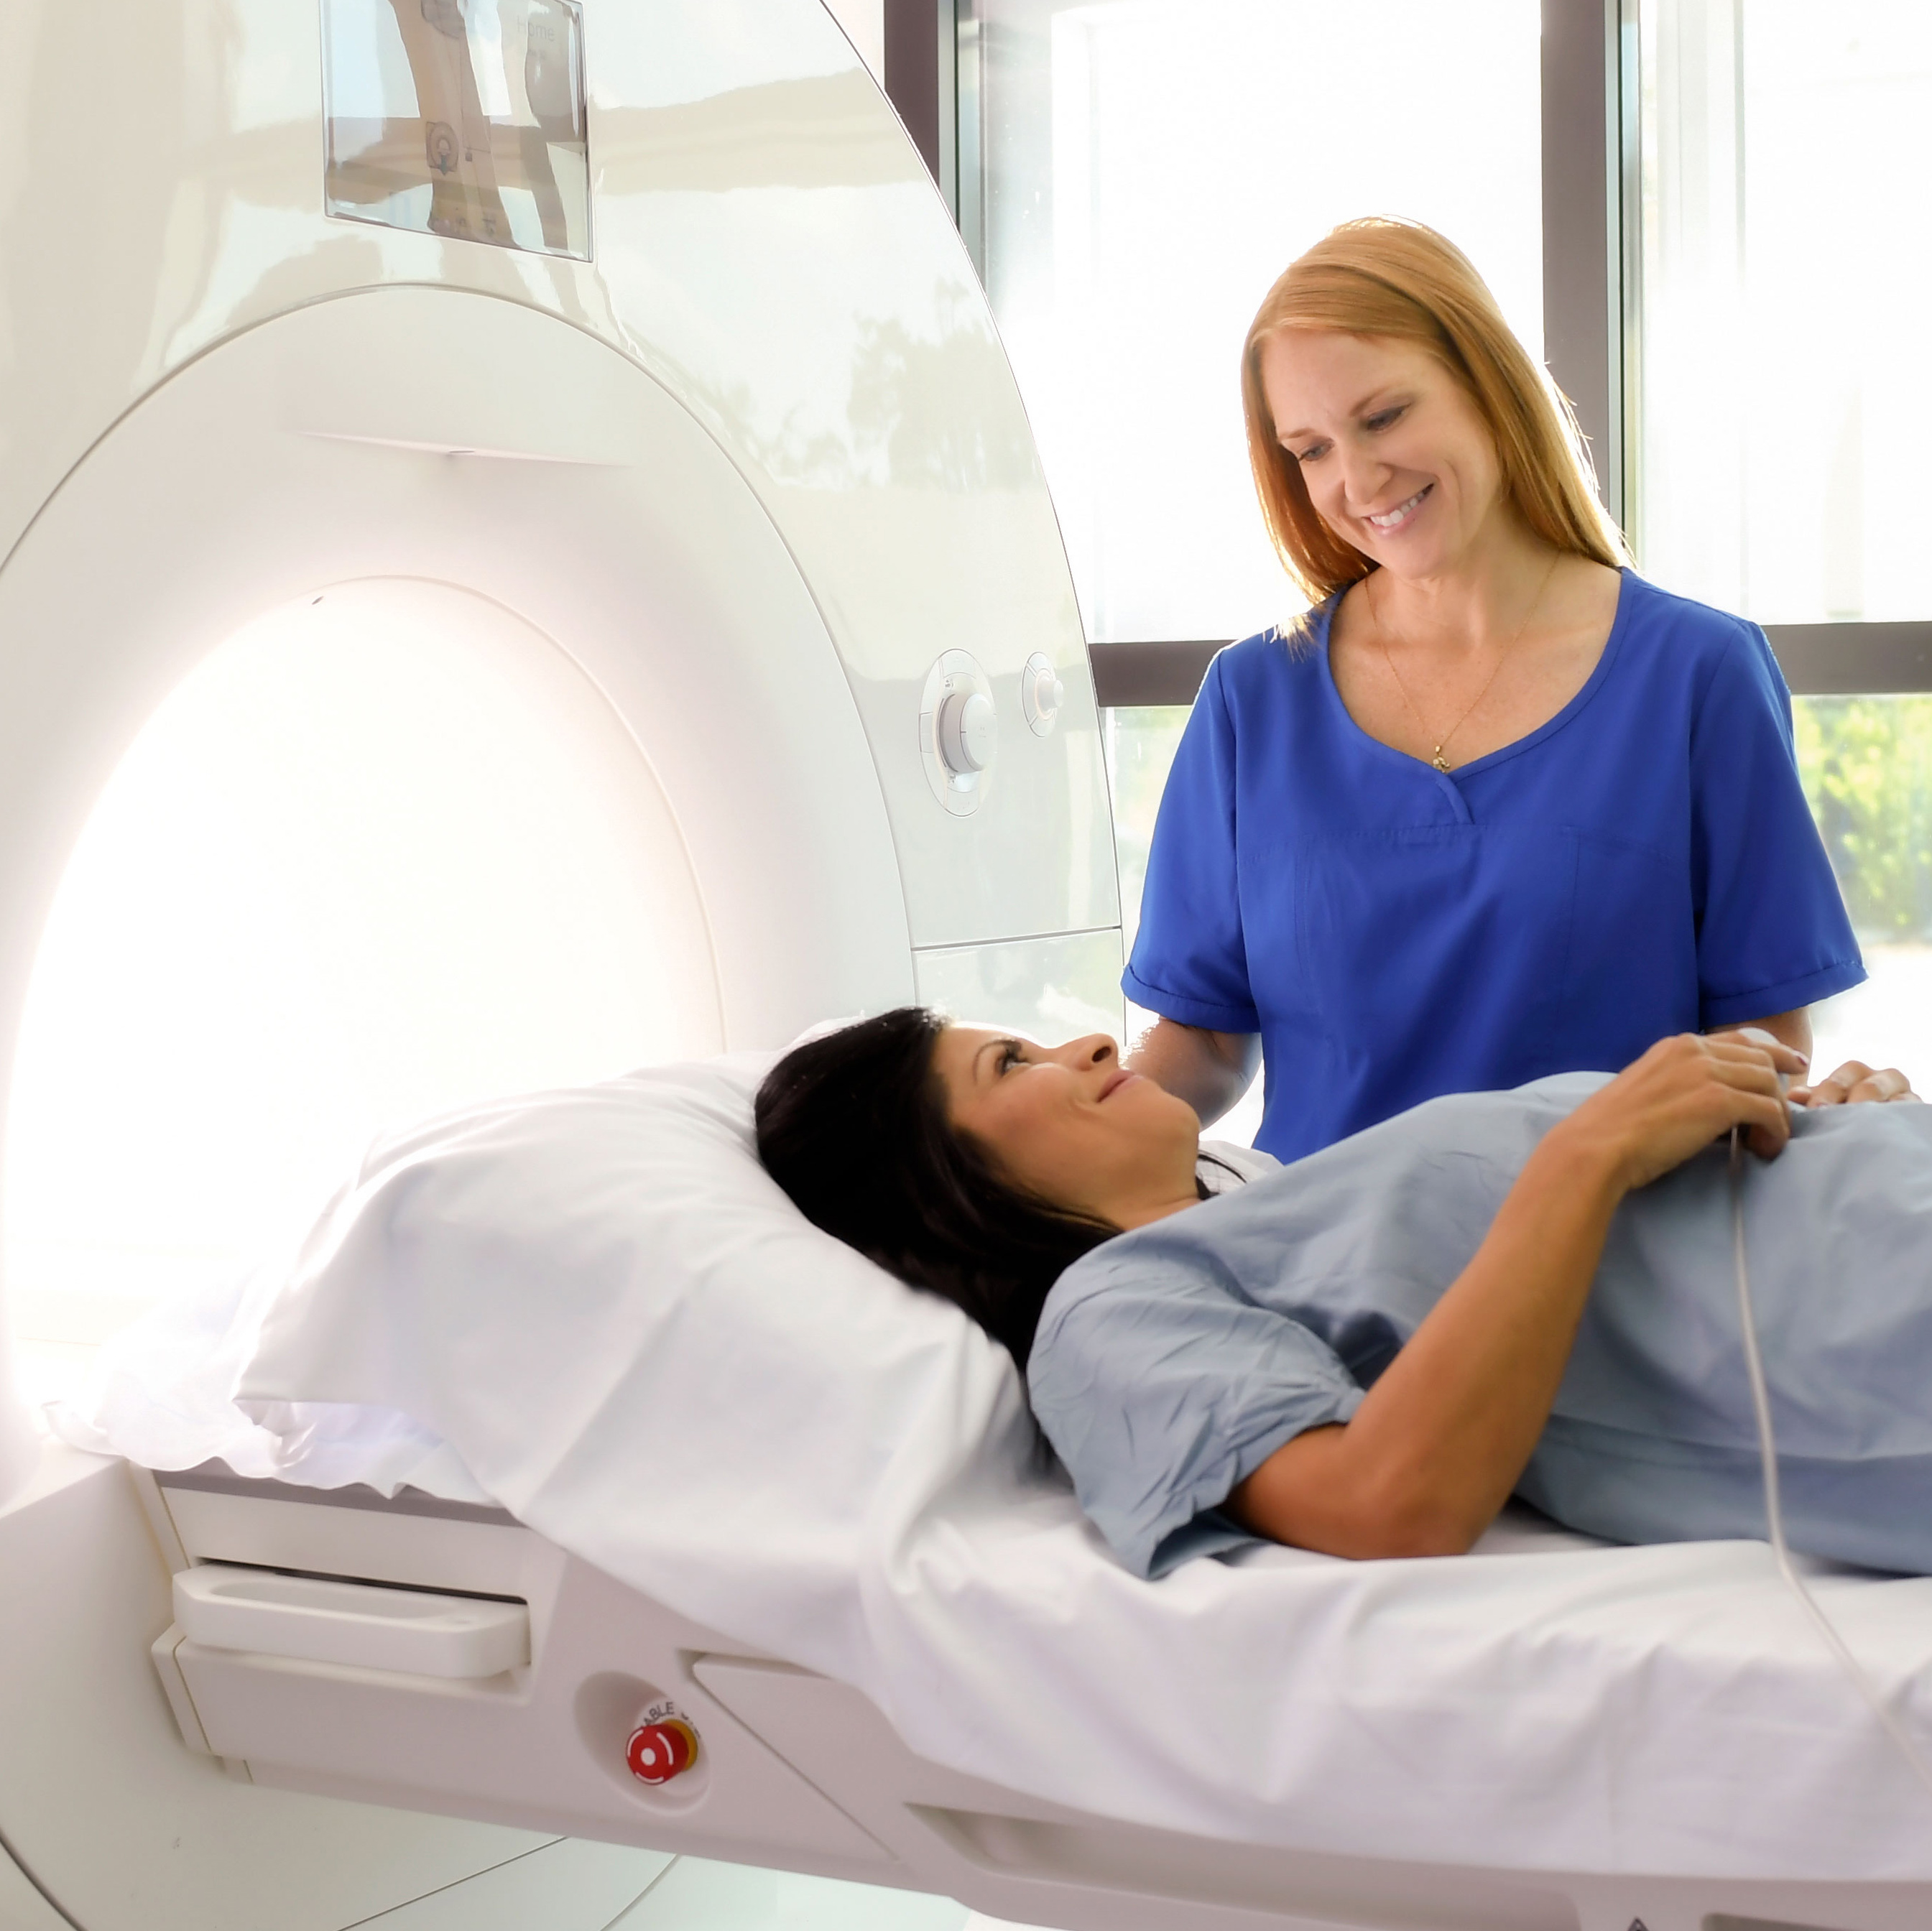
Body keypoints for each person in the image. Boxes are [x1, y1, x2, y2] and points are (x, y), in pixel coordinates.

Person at [1125, 218, 1867, 1163]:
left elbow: (1762, 1041)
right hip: (1313, 1276)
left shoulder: (1696, 676)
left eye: (1384, 417)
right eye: (1308, 450)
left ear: (1488, 384)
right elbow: (1204, 1042)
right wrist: (1033, 1144)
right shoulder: (1251, 700)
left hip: (1614, 1270)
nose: (1355, 480)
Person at [756, 1010, 1926, 1578]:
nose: (1091, 1047)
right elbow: (1387, 1503)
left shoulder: (1281, 1204)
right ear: (939, 1188)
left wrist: (1829, 1128)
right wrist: (1587, 1153)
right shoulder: (1107, 1314)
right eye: (1009, 1065)